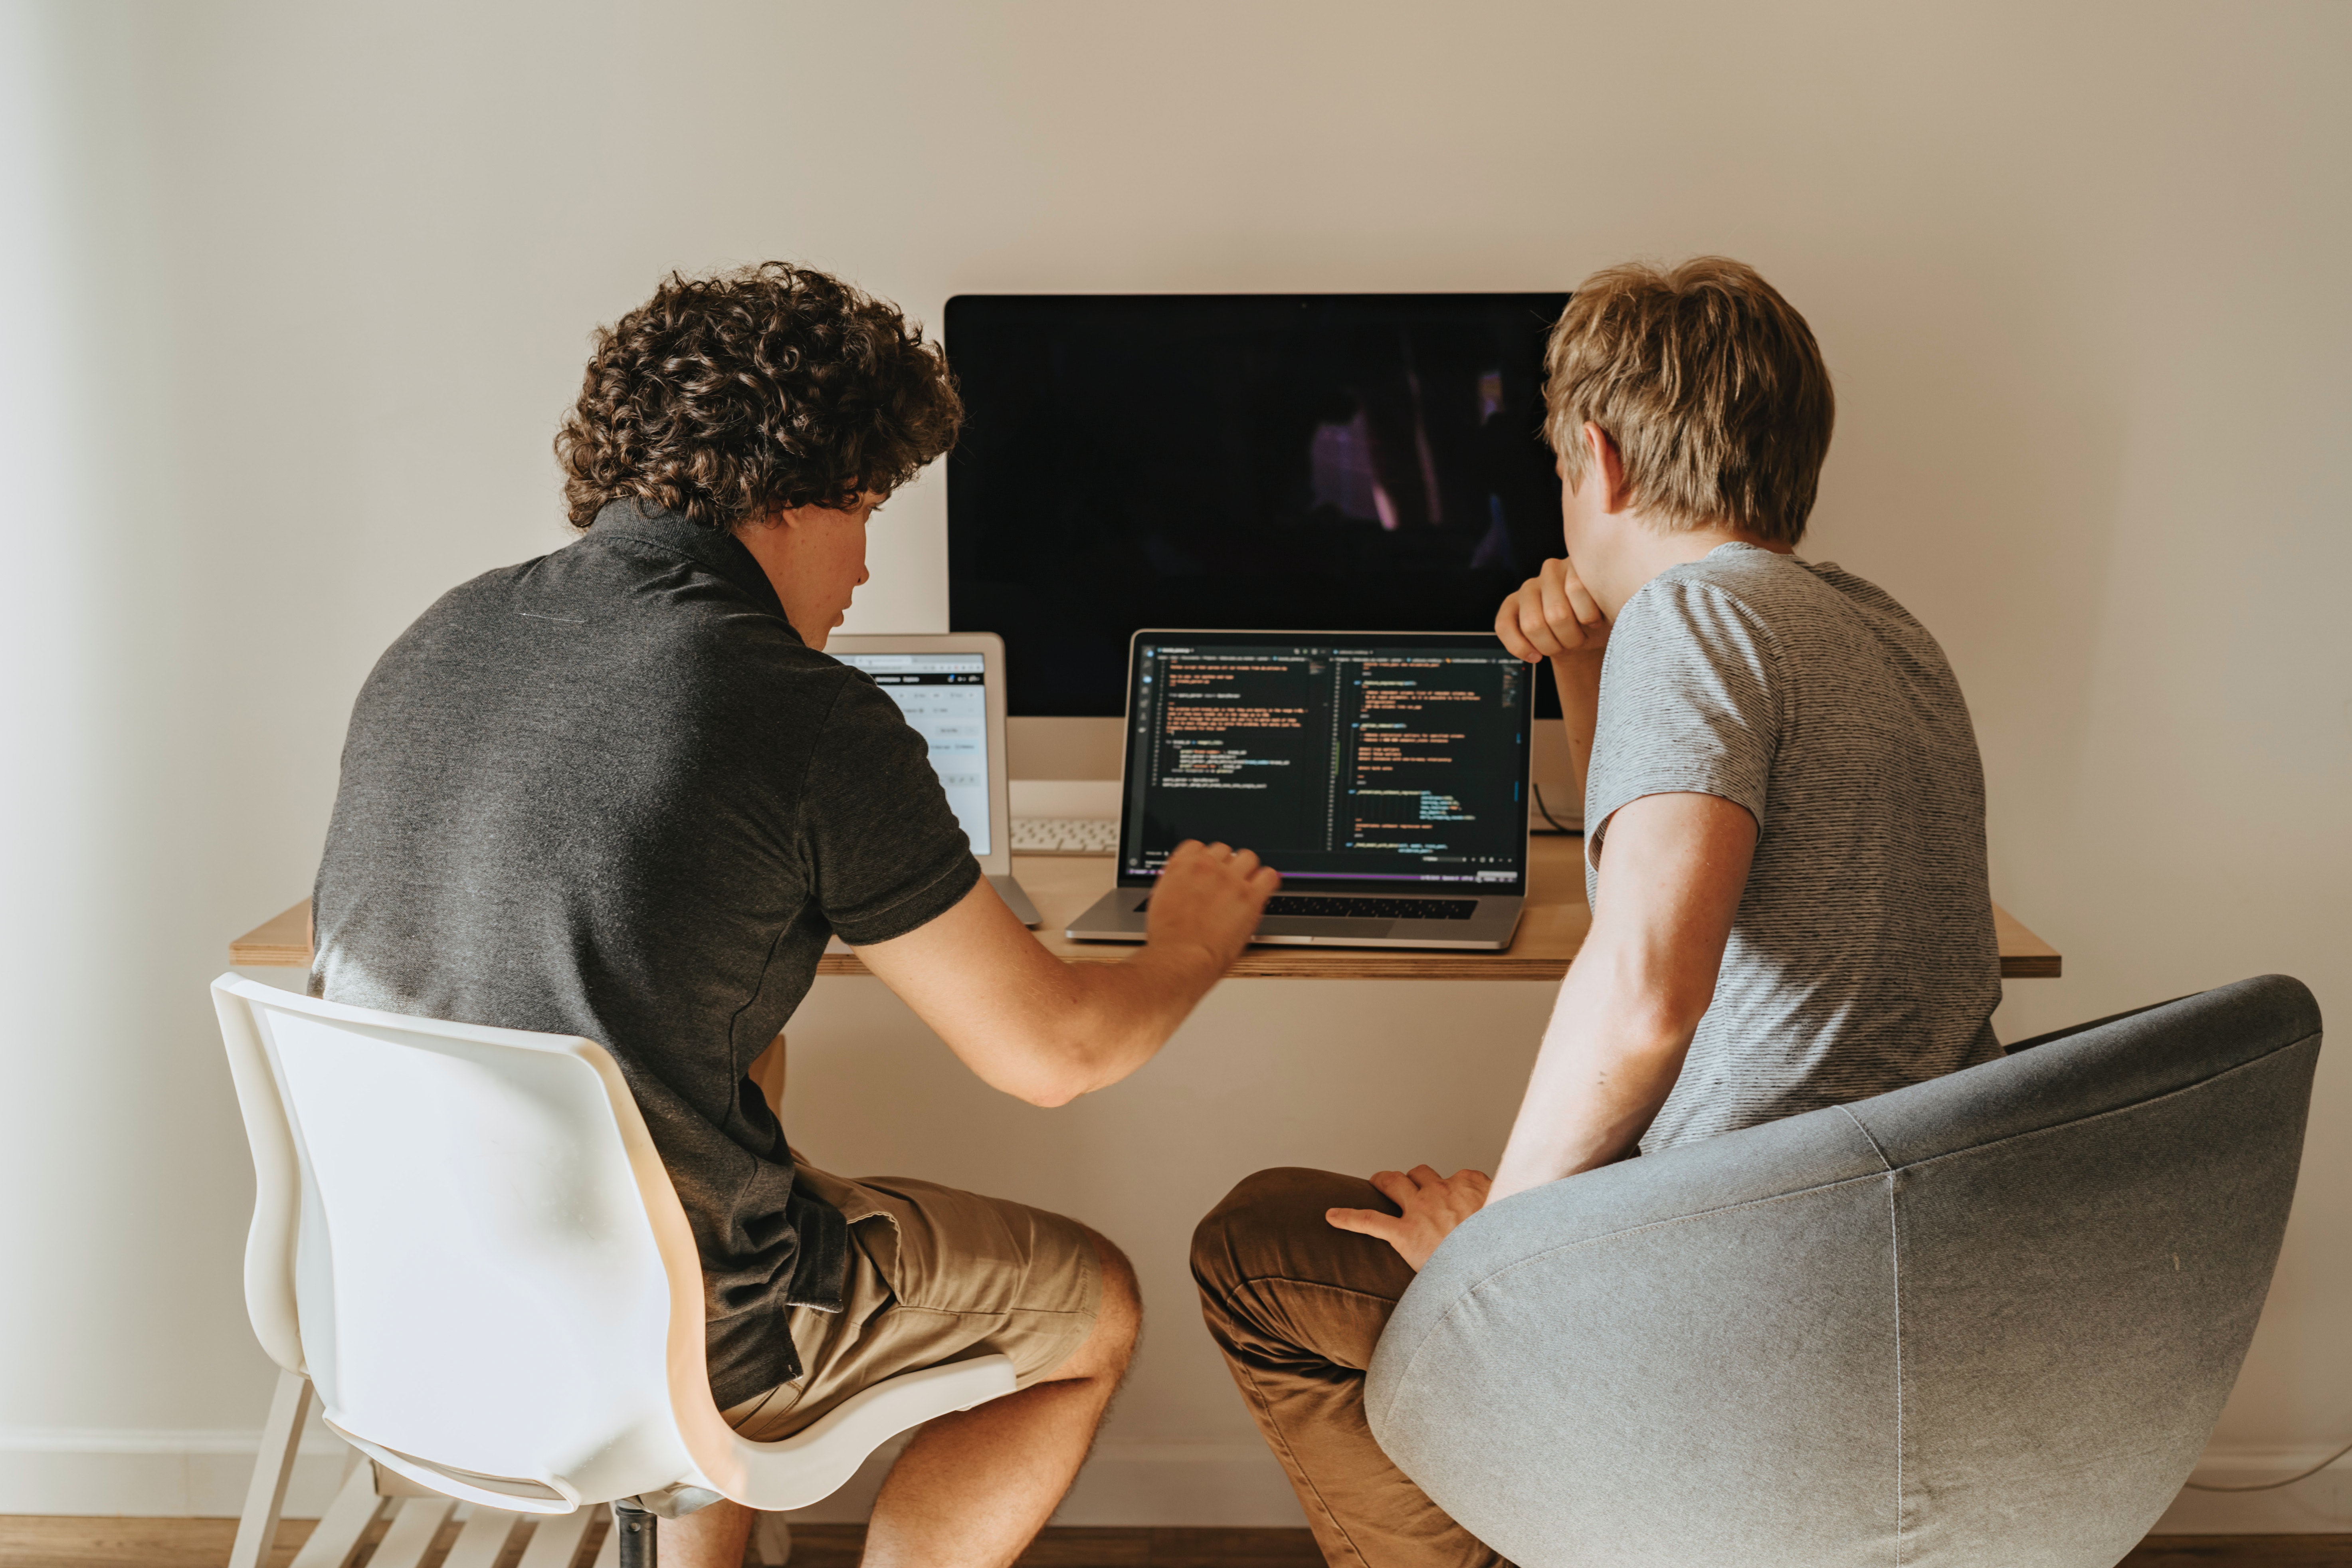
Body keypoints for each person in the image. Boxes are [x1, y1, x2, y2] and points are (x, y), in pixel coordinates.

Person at [310, 262, 1279, 1568]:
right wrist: (1189, 944)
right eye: (868, 509)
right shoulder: (794, 705)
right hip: (656, 1327)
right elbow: (1054, 1057)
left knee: (752, 1100)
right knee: (1089, 1307)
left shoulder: (444, 633)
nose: (867, 565)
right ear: (791, 495)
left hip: (407, 1295)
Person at [1191, 257, 2004, 1568]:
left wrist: (1496, 1254)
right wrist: (1584, 655)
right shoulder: (1879, 628)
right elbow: (1664, 859)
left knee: (1256, 1245)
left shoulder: (1693, 621)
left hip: (1734, 1295)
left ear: (1598, 456)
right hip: (1895, 1272)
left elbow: (1643, 991)